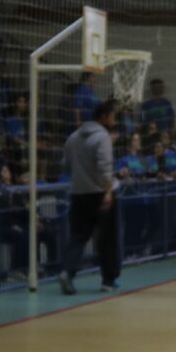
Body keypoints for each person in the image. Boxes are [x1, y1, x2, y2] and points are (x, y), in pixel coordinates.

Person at [60, 97, 120, 294]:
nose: (114, 121)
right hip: (101, 194)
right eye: (113, 117)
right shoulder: (103, 137)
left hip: (78, 194)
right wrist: (108, 193)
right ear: (103, 117)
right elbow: (105, 168)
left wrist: (81, 174)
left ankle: (67, 272)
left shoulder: (73, 137)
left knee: (78, 236)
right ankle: (108, 280)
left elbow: (65, 167)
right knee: (107, 238)